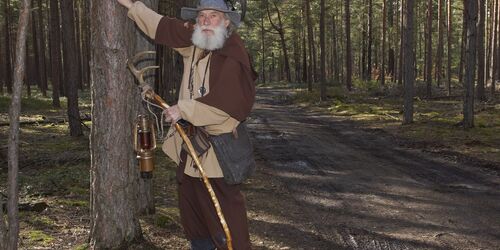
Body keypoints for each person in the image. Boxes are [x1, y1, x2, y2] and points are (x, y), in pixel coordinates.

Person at [117, 0, 257, 249]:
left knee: (227, 226)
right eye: (202, 15)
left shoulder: (233, 52)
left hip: (218, 157)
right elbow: (162, 26)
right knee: (195, 222)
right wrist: (130, 5)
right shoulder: (195, 45)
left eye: (213, 16)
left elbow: (230, 102)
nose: (205, 21)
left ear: (226, 22)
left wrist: (184, 109)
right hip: (190, 153)